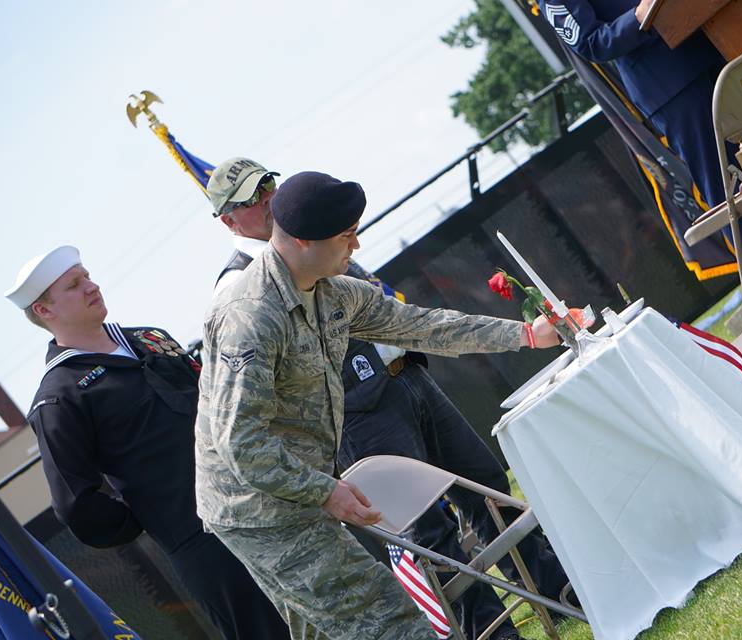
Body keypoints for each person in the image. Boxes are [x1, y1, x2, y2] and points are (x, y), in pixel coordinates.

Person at [206, 157, 574, 640]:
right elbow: (238, 441)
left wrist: (526, 334)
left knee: (360, 618)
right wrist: (323, 490)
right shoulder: (249, 312)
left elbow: (420, 325)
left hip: (303, 473)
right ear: (303, 240)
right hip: (256, 508)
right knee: (385, 611)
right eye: (346, 236)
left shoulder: (330, 289)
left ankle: (555, 596)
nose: (356, 245)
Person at [5, 246, 292, 640]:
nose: (91, 286)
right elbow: (75, 503)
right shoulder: (59, 397)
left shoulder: (149, 337)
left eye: (87, 276)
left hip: (271, 499)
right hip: (206, 540)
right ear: (44, 310)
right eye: (74, 285)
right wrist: (151, 516)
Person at [538, 0, 742, 300]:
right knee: (724, 187)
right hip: (667, 82)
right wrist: (639, 16)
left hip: (714, 39)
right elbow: (591, 43)